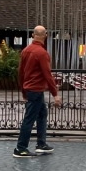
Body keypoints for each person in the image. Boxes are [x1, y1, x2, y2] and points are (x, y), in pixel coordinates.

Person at [14, 25, 60, 157]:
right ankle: (21, 148)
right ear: (46, 35)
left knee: (42, 114)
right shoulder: (42, 53)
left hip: (30, 89)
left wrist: (23, 90)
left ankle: (41, 144)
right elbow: (48, 75)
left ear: (33, 35)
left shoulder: (26, 51)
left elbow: (21, 72)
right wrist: (55, 94)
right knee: (29, 119)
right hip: (37, 89)